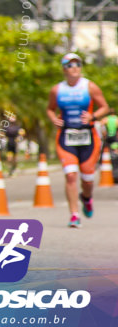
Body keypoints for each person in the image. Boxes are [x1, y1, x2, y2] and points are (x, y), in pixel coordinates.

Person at [47, 53, 111, 228]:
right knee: (70, 176)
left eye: (77, 64)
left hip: (88, 137)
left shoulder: (89, 87)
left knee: (88, 179)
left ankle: (87, 198)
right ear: (64, 69)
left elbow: (104, 107)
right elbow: (50, 109)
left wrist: (93, 115)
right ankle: (74, 215)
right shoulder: (57, 90)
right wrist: (53, 118)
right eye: (69, 65)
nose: (74, 68)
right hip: (66, 137)